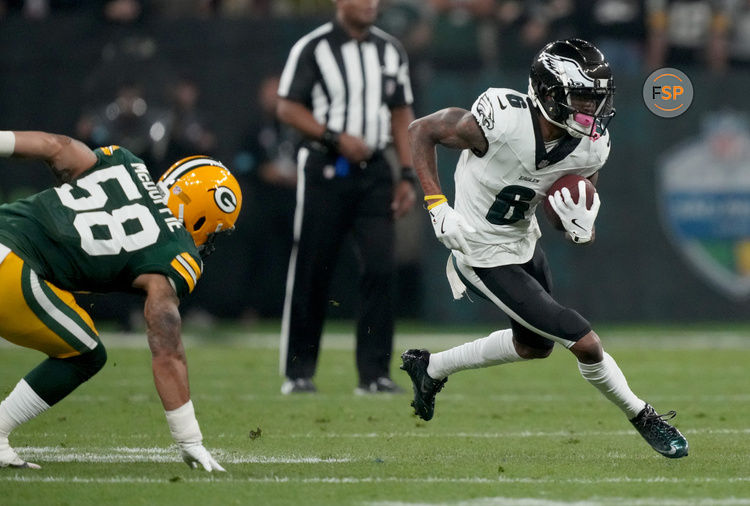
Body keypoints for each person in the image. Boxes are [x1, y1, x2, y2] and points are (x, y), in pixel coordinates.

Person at [400, 39, 689, 458]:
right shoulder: (500, 119)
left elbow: (567, 209)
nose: (593, 110)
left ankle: (430, 368)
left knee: (534, 346)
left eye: (598, 99)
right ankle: (642, 415)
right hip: (478, 252)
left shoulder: (592, 144)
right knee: (583, 340)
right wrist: (436, 206)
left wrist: (580, 226)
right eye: (583, 98)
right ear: (550, 93)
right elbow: (420, 131)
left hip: (523, 242)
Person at [0, 130, 241, 470]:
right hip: (11, 266)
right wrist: (189, 438)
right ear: (201, 215)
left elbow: (55, 147)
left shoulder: (125, 162)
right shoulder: (177, 252)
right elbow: (165, 336)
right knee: (84, 354)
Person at [276, 0, 417, 395]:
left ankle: (374, 374)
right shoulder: (313, 47)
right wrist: (334, 137)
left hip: (374, 171)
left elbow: (401, 111)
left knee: (380, 267)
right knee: (313, 269)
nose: (371, 3)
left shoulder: (391, 49)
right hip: (325, 167)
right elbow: (287, 107)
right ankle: (298, 372)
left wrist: (406, 173)